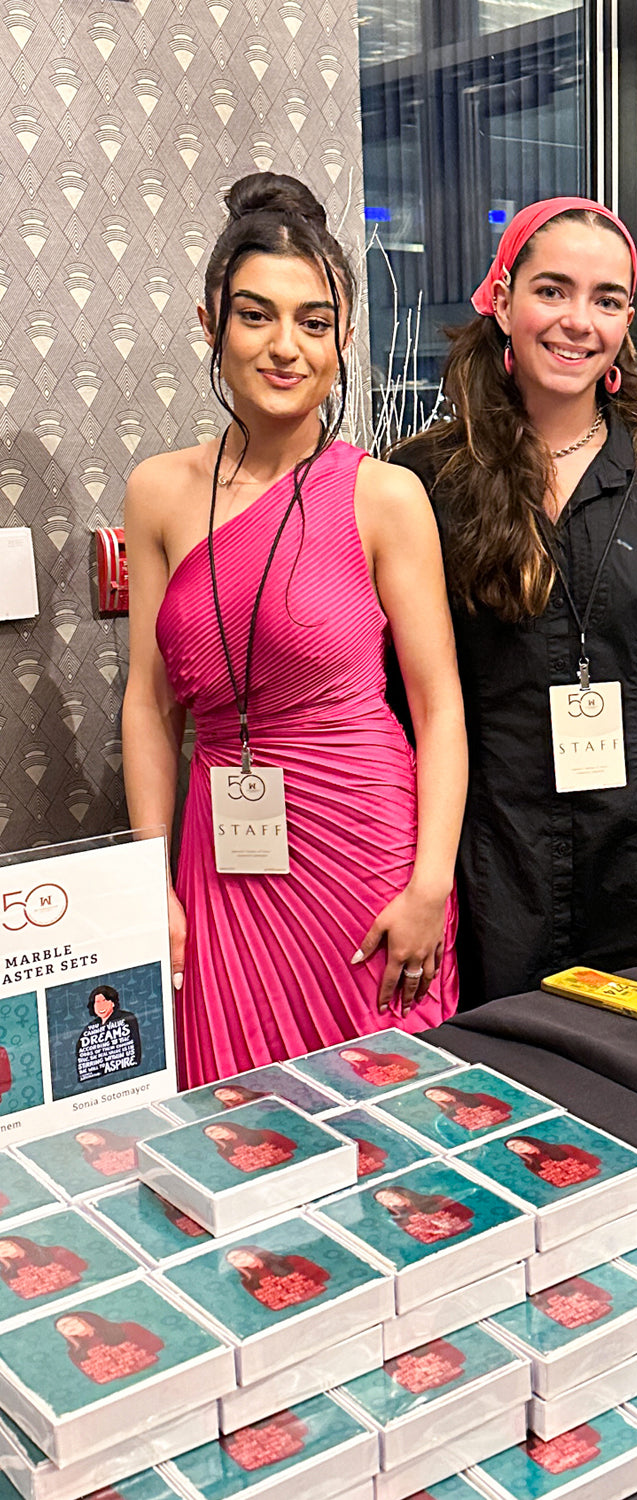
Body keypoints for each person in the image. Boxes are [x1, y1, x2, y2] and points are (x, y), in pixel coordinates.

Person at [122, 172, 466, 1086]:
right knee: (231, 1125)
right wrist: (147, 885)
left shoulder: (384, 495)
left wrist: (430, 884)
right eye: (255, 316)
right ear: (210, 325)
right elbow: (151, 707)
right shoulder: (159, 491)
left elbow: (438, 709)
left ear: (343, 337)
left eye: (314, 323)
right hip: (219, 867)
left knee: (389, 1123)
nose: (286, 347)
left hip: (368, 855)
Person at [390, 197, 637, 1002]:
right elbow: (398, 699)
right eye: (551, 290)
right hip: (495, 851)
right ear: (501, 299)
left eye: (606, 300)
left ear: (627, 321)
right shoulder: (421, 481)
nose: (577, 322)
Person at [54, 1311, 164, 1383]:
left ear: (84, 1319)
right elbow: (98, 1379)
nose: (67, 1328)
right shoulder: (75, 1353)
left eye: (69, 1322)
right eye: (62, 1328)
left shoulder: (126, 1327)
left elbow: (157, 1345)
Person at [224, 1245, 329, 1308]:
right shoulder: (247, 1282)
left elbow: (323, 1276)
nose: (237, 1260)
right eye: (232, 1260)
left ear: (250, 1251)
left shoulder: (292, 1260)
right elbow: (270, 1305)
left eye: (237, 1255)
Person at [75, 986, 142, 1083]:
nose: (101, 1006)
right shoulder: (89, 1028)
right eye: (97, 1002)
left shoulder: (127, 1018)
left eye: (104, 1001)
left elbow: (134, 1052)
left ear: (113, 1003)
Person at [372, 1184, 474, 1242]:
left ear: (401, 1193)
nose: (386, 1200)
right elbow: (425, 1239)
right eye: (381, 1200)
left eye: (388, 1195)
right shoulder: (401, 1221)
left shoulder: (436, 1199)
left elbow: (468, 1214)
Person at [0, 1235, 87, 1299]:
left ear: (18, 1243)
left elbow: (84, 1269)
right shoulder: (6, 1273)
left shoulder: (55, 1252)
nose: (3, 1250)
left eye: (5, 1245)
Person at [202, 1119, 296, 1171]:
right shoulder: (222, 1151)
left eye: (215, 1130)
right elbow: (243, 1169)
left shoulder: (263, 1133)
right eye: (210, 1134)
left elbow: (292, 1146)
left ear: (227, 1127)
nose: (214, 1133)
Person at [422, 1083, 511, 1131]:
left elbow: (506, 1108)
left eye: (435, 1092)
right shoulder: (447, 1112)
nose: (434, 1095)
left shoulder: (478, 1096)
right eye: (431, 1096)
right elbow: (466, 1127)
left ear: (444, 1090)